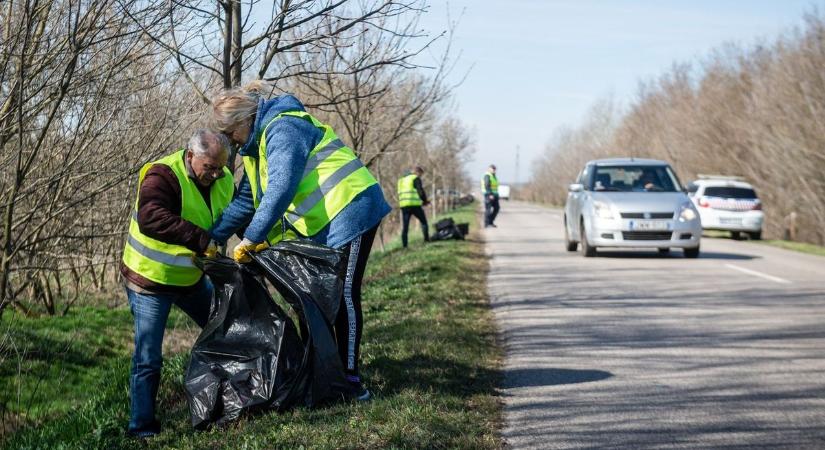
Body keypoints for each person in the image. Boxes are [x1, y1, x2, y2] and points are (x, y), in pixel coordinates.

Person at [207, 82, 391, 401]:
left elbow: (280, 189)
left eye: (230, 133)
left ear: (242, 122)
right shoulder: (256, 150)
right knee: (319, 297)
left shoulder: (284, 128)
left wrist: (252, 238)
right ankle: (325, 373)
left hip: (353, 206)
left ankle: (350, 380)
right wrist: (214, 236)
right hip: (325, 222)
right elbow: (246, 202)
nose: (230, 142)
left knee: (344, 293)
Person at [120, 130, 233, 438]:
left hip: (190, 280)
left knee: (225, 329)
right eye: (209, 166)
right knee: (149, 358)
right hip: (150, 282)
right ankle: (141, 428)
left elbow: (235, 213)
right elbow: (151, 216)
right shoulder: (162, 176)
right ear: (190, 155)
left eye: (220, 167)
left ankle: (234, 399)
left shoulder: (223, 179)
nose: (215, 174)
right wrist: (201, 239)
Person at [397, 166, 430, 248]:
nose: (420, 176)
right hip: (414, 205)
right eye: (420, 174)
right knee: (424, 222)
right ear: (417, 172)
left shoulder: (401, 180)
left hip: (404, 206)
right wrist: (425, 201)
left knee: (405, 227)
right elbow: (420, 191)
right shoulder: (415, 178)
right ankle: (426, 240)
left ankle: (405, 246)